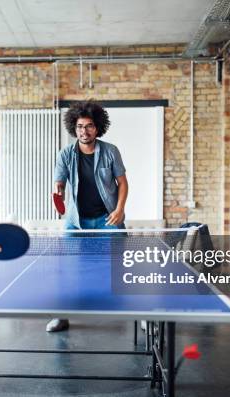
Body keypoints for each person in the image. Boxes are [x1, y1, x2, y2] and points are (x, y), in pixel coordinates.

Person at [48, 101, 129, 332]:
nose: (84, 131)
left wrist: (120, 209)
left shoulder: (110, 151)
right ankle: (61, 315)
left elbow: (122, 183)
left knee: (122, 266)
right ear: (74, 128)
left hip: (108, 218)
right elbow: (59, 182)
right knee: (65, 268)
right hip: (76, 221)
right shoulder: (65, 154)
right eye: (80, 126)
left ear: (98, 128)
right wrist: (58, 191)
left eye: (89, 126)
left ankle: (140, 314)